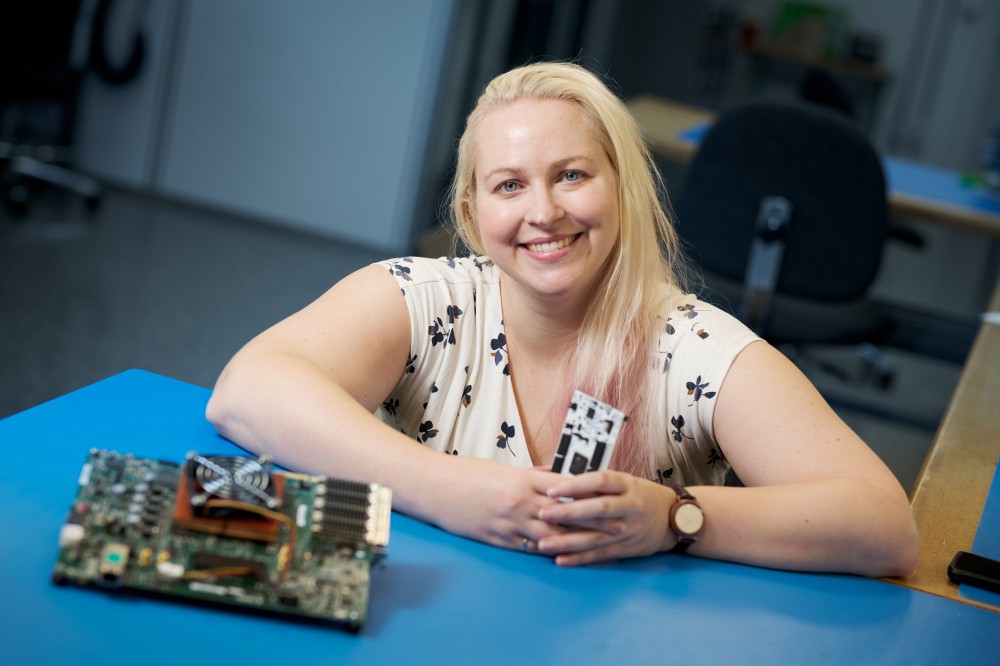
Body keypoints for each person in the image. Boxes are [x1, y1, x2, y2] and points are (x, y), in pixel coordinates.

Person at [206, 61, 918, 577]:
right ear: (471, 216)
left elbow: (884, 525)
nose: (543, 212)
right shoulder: (424, 300)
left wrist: (673, 517)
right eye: (509, 185)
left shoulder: (695, 350)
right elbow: (247, 391)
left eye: (571, 175)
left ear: (622, 188)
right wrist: (444, 489)